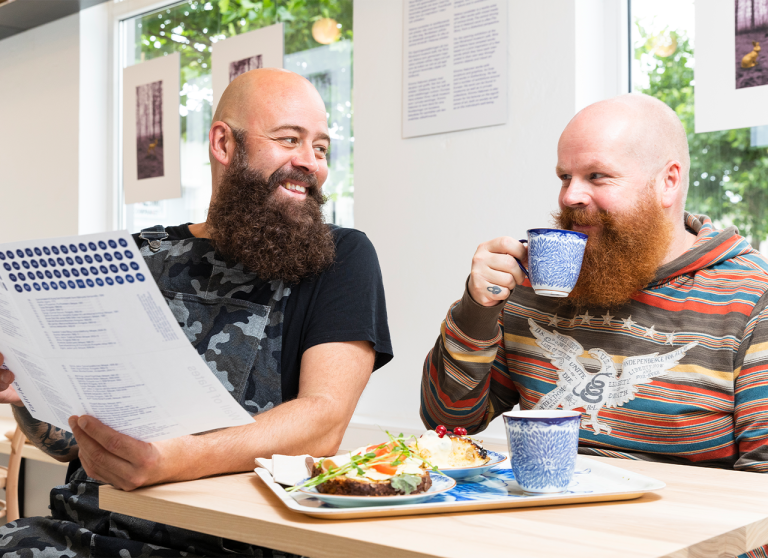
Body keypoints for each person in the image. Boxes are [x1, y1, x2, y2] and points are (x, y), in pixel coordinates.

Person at [0, 68, 392, 557]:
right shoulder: (137, 255)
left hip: (224, 542)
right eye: (289, 139)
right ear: (224, 144)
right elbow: (67, 446)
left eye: (320, 148)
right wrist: (30, 388)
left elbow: (324, 421)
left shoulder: (340, 257)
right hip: (76, 532)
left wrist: (172, 459)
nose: (310, 163)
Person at [422, 93, 768, 474]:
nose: (570, 196)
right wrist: (477, 309)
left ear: (668, 182)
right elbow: (449, 423)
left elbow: (761, 487)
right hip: (544, 516)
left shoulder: (751, 298)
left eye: (597, 176)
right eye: (565, 177)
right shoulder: (529, 284)